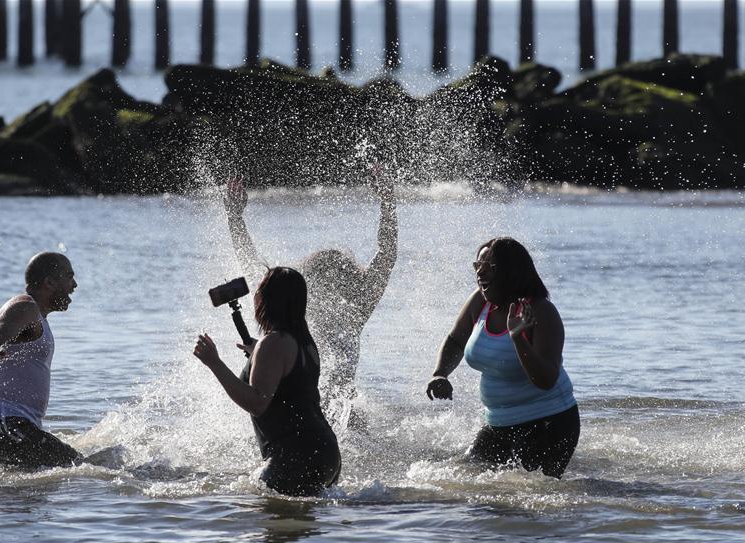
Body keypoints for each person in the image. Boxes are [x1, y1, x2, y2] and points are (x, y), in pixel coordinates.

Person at [221, 169, 397, 421]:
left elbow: (252, 264)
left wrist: (235, 218)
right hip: (332, 413)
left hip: (317, 412)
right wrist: (387, 202)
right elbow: (387, 254)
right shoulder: (348, 311)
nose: (332, 283)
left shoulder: (347, 310)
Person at [426, 238, 580, 478]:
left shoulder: (541, 311)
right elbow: (456, 339)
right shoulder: (480, 301)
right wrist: (440, 373)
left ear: (512, 271)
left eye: (490, 267)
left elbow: (546, 379)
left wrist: (518, 338)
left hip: (549, 422)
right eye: (478, 266)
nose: (481, 273)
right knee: (462, 477)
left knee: (529, 494)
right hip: (499, 423)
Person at [193, 267, 341, 496]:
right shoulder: (305, 342)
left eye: (260, 290)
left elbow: (257, 402)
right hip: (326, 454)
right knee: (302, 525)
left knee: (255, 515)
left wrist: (215, 363)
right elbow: (292, 385)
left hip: (295, 456)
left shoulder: (273, 343)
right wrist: (257, 353)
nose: (255, 296)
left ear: (269, 300)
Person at [0, 251, 83, 470]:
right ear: (49, 282)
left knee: (36, 489)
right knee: (79, 468)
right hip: (3, 422)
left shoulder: (37, 317)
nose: (75, 285)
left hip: (13, 424)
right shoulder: (25, 306)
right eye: (69, 277)